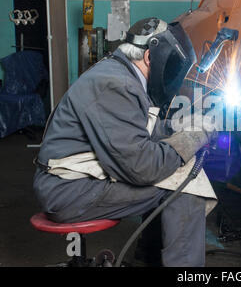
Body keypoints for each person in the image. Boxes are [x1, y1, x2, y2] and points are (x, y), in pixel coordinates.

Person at [33, 18, 217, 267]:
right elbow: (142, 167)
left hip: (70, 184)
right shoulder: (116, 84)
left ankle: (150, 260)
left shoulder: (117, 73)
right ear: (151, 57)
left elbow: (134, 131)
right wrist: (194, 138)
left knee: (177, 174)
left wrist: (177, 127)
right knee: (186, 185)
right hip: (68, 192)